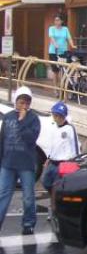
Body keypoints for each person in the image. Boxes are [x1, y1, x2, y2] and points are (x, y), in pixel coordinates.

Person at [0, 87, 41, 235]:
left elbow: (32, 138)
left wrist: (22, 121)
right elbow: (2, 139)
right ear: (16, 101)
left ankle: (28, 223)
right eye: (21, 102)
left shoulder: (33, 119)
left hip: (26, 164)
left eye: (27, 103)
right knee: (3, 194)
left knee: (28, 196)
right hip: (8, 163)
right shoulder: (8, 116)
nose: (24, 105)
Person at [42, 102, 80, 219]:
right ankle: (56, 202)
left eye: (60, 116)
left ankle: (53, 210)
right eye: (55, 115)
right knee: (46, 182)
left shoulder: (69, 129)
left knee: (55, 187)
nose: (58, 118)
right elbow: (53, 145)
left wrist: (74, 160)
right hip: (53, 161)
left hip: (63, 163)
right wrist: (48, 158)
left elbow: (75, 146)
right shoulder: (53, 128)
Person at [48, 15, 76, 88]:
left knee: (63, 70)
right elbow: (51, 38)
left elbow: (69, 38)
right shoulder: (52, 28)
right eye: (55, 20)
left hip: (63, 52)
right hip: (54, 52)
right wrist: (55, 44)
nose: (56, 22)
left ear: (62, 21)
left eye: (58, 20)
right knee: (55, 71)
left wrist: (72, 45)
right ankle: (55, 88)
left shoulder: (65, 29)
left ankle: (62, 87)